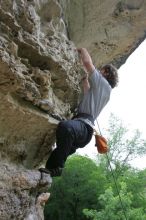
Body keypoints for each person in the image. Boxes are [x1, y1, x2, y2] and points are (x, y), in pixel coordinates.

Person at [39, 48, 119, 177]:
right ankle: (47, 173)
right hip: (82, 132)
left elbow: (88, 63)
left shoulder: (103, 84)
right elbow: (87, 91)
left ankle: (58, 167)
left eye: (101, 70)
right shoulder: (103, 90)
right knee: (58, 152)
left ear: (107, 73)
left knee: (66, 127)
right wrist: (85, 80)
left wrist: (82, 49)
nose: (98, 71)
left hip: (83, 127)